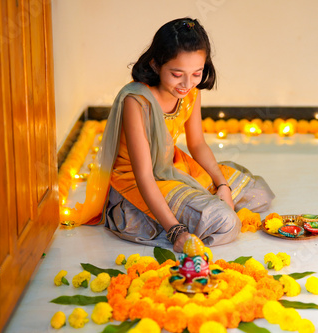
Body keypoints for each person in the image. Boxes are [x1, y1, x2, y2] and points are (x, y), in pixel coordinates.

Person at [76, 18, 274, 252]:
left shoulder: (191, 92)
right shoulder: (136, 102)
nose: (187, 84)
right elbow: (144, 175)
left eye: (196, 73)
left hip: (174, 167)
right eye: (177, 73)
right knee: (225, 222)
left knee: (259, 194)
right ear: (155, 64)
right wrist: (176, 231)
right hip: (137, 182)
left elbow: (197, 144)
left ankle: (199, 209)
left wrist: (223, 186)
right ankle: (169, 219)